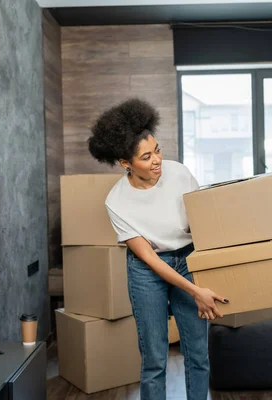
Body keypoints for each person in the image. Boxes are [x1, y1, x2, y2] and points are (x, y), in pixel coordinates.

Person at [87, 98, 227, 400]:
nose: (157, 160)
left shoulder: (178, 173)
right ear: (126, 164)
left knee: (198, 354)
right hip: (146, 272)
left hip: (188, 259)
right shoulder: (117, 202)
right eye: (146, 156)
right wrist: (194, 291)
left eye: (158, 150)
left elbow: (201, 223)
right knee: (153, 359)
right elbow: (149, 258)